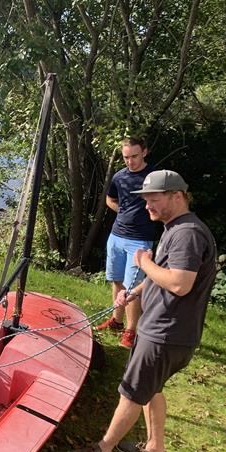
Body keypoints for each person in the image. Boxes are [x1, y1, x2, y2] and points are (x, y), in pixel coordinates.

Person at [68, 170, 217, 452]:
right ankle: (155, 448)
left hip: (165, 334)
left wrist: (145, 262)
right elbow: (165, 275)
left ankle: (103, 450)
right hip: (167, 331)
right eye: (146, 200)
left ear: (177, 196)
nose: (147, 206)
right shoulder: (175, 227)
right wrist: (134, 292)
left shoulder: (187, 234)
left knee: (133, 391)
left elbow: (179, 283)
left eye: (153, 200)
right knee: (152, 388)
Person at [96, 137, 155, 348]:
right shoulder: (119, 176)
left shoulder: (154, 178)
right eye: (126, 157)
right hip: (116, 236)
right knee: (117, 280)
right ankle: (116, 321)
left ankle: (131, 332)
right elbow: (110, 199)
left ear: (145, 152)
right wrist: (123, 212)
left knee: (133, 289)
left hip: (140, 240)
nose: (130, 161)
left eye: (134, 156)